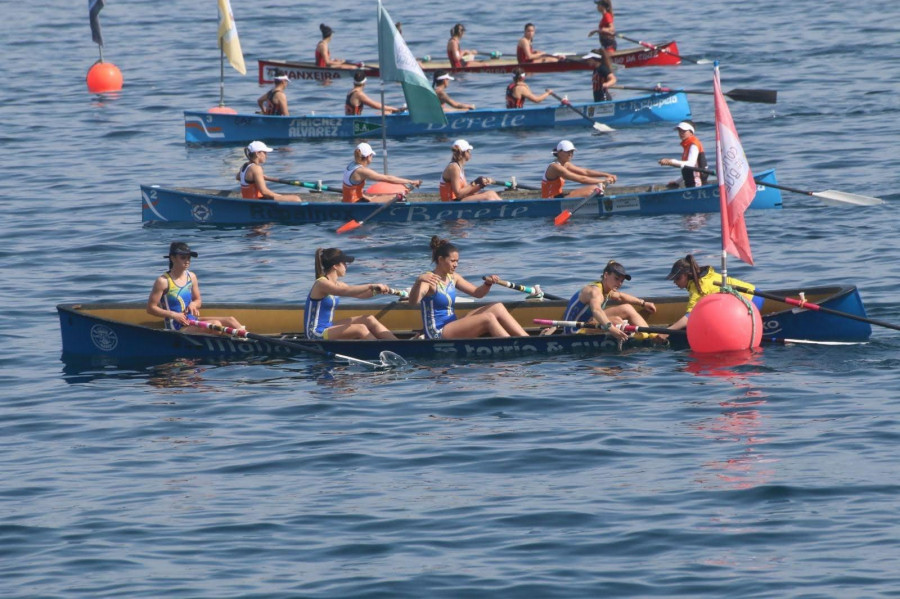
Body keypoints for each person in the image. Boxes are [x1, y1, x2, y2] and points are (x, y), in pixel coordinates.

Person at [408, 236, 529, 339]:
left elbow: (478, 293)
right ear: (440, 260)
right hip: (437, 333)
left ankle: (526, 340)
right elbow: (413, 302)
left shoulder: (453, 277)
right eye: (453, 261)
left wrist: (487, 284)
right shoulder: (429, 280)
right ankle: (512, 344)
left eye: (457, 261)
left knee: (497, 307)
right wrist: (418, 281)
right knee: (488, 318)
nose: (456, 264)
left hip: (452, 325)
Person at [147, 242, 244, 334]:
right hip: (177, 327)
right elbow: (151, 308)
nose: (187, 261)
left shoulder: (191, 276)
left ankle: (247, 341)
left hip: (192, 320)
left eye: (189, 258)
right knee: (215, 324)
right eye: (183, 258)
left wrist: (193, 304)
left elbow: (198, 300)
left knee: (231, 320)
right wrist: (174, 315)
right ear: (172, 258)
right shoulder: (163, 281)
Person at [304, 248, 399, 341]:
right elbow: (345, 291)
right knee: (360, 328)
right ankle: (381, 350)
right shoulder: (321, 283)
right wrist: (371, 285)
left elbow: (361, 295)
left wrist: (376, 291)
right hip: (315, 333)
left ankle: (397, 344)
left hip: (328, 326)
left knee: (369, 319)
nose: (346, 266)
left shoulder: (338, 284)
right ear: (335, 266)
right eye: (344, 263)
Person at [563, 260, 660, 341]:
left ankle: (653, 336)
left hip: (588, 323)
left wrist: (643, 303)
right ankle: (634, 337)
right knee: (616, 321)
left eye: (621, 281)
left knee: (627, 308)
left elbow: (621, 296)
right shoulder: (595, 292)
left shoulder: (607, 288)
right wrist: (611, 328)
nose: (619, 283)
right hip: (573, 330)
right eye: (616, 279)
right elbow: (596, 310)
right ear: (606, 275)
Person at [664, 255, 763, 331]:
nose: (675, 282)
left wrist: (667, 331)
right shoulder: (703, 276)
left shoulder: (699, 287)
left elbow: (690, 317)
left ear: (687, 275)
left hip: (752, 300)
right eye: (674, 279)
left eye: (677, 278)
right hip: (756, 293)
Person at [342, 142, 422, 203]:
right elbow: (388, 178)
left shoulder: (351, 165)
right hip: (355, 203)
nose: (372, 157)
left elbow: (352, 189)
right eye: (372, 155)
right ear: (368, 156)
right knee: (396, 196)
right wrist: (411, 181)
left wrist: (366, 197)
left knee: (375, 197)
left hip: (348, 200)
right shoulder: (362, 171)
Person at [541, 140, 616, 198]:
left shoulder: (566, 164)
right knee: (594, 188)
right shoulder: (555, 167)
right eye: (567, 151)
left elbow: (585, 172)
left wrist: (607, 174)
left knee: (596, 188)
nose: (570, 154)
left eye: (572, 151)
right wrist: (603, 181)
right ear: (559, 152)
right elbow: (581, 179)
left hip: (559, 196)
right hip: (551, 200)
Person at [236, 141, 302, 202]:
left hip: (249, 200)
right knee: (296, 199)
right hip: (256, 202)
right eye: (264, 153)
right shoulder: (256, 168)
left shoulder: (245, 165)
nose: (266, 156)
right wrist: (281, 197)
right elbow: (264, 192)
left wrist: (258, 178)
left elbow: (238, 177)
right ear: (257, 153)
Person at [659, 121, 709, 188]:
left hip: (698, 185)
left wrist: (671, 162)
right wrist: (677, 182)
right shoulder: (687, 146)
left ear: (691, 132)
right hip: (691, 184)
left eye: (684, 131)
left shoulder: (694, 145)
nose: (681, 133)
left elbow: (691, 164)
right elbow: (687, 169)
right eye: (679, 131)